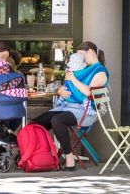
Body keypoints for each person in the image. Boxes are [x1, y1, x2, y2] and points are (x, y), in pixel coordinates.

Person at [31, 41, 109, 171]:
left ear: (90, 52)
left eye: (81, 56)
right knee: (35, 124)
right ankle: (42, 154)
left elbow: (89, 92)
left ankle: (69, 156)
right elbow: (69, 87)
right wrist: (61, 90)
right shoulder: (79, 68)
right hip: (66, 106)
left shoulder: (100, 71)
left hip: (85, 111)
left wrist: (72, 78)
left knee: (57, 120)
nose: (80, 60)